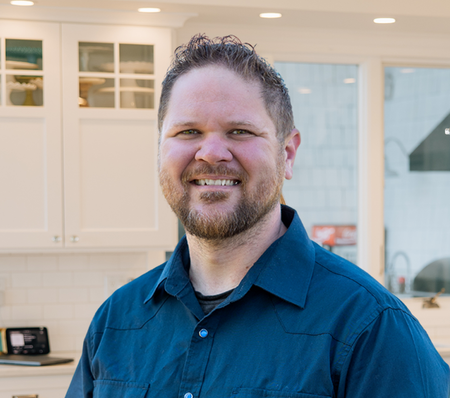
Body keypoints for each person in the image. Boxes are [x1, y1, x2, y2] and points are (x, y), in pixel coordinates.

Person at [66, 34, 450, 398]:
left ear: (288, 154)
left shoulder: (371, 326)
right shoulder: (116, 322)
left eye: (239, 131)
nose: (211, 152)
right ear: (160, 149)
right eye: (187, 132)